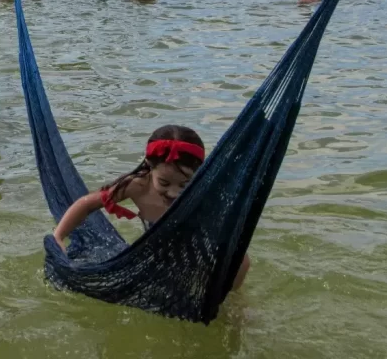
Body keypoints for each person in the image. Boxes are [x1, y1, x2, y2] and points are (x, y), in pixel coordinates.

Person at [52, 124, 251, 291]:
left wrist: (226, 292)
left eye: (184, 185)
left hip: (197, 259)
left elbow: (237, 252)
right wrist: (58, 236)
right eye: (164, 183)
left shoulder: (205, 195)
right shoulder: (137, 186)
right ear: (149, 166)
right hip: (158, 258)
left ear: (200, 173)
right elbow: (85, 204)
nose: (173, 193)